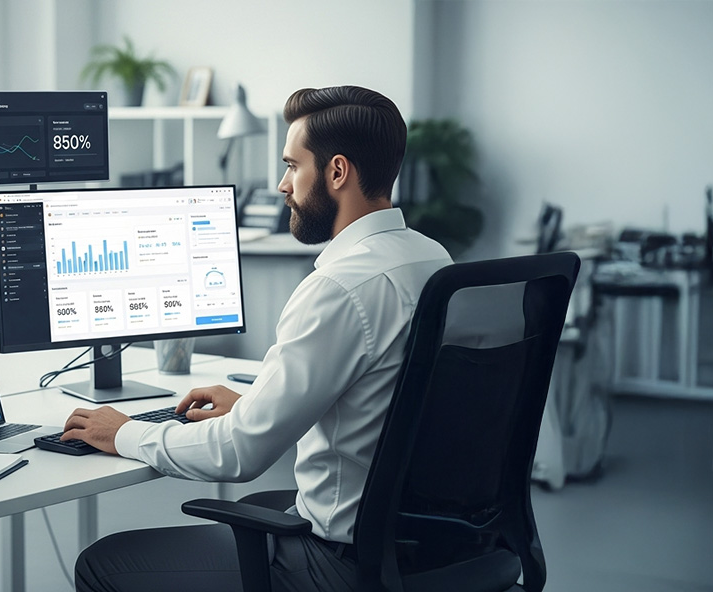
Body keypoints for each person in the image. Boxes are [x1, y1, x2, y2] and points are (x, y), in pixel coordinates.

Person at [63, 86, 454, 592]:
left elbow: (238, 453)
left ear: (337, 172)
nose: (282, 185)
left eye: (292, 166)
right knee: (253, 511)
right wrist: (256, 405)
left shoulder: (339, 289)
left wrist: (124, 432)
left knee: (102, 564)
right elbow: (382, 398)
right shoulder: (430, 258)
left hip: (344, 563)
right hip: (431, 547)